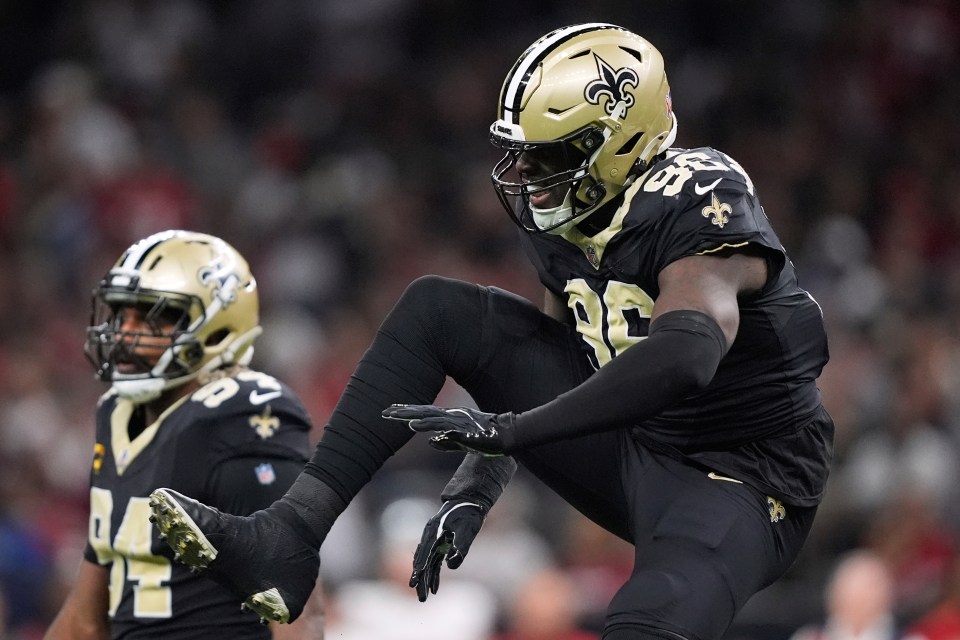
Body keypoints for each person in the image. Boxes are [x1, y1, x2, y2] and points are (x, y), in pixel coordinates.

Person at [148, 23, 833, 640]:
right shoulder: (569, 216)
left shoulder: (699, 197)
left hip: (739, 477)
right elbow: (543, 349)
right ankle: (289, 533)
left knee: (644, 623)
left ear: (621, 143)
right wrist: (476, 484)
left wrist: (514, 431)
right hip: (636, 450)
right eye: (522, 154)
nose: (526, 177)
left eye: (550, 155)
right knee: (439, 310)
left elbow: (686, 354)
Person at [44, 230, 323, 639]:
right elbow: (87, 620)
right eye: (122, 315)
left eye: (151, 318)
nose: (124, 334)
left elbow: (296, 609)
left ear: (216, 327)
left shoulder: (244, 414)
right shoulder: (118, 414)